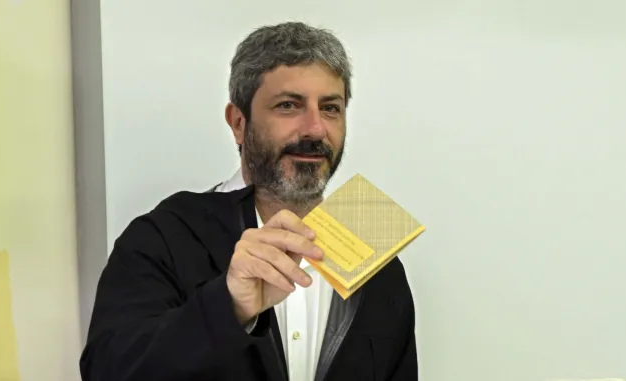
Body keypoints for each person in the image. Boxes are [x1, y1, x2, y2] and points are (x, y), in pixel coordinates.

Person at [79, 21, 417, 381]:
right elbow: (107, 371)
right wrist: (229, 306)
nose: (316, 129)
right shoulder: (163, 237)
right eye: (289, 105)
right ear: (239, 122)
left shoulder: (378, 265)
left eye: (331, 108)